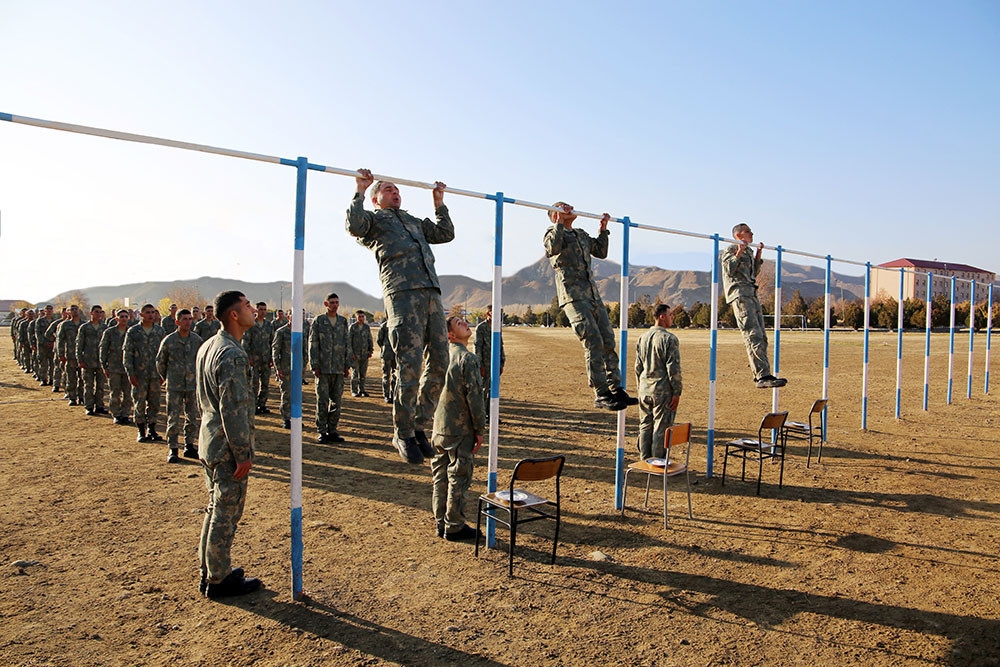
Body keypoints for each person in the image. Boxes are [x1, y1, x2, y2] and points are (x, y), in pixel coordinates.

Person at [347, 168, 453, 464]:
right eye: (388, 189)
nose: (396, 192)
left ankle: (418, 425)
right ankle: (403, 432)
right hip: (402, 295)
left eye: (397, 189)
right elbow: (354, 225)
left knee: (440, 361)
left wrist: (439, 202)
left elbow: (445, 233)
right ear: (376, 199)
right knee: (410, 365)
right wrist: (359, 191)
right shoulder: (374, 221)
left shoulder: (412, 221)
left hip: (431, 292)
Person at [196, 290, 262, 599]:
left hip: (210, 440)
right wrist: (242, 453)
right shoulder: (231, 354)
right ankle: (219, 580)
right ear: (234, 314)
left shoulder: (209, 345)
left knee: (215, 508)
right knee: (225, 513)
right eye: (247, 305)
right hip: (226, 448)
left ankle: (211, 570)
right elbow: (232, 408)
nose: (253, 310)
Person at [544, 202, 638, 411]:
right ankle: (601, 393)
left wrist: (603, 230)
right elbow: (552, 249)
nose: (570, 208)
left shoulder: (580, 234)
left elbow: (601, 252)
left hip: (593, 296)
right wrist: (559, 223)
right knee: (593, 341)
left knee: (607, 341)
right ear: (555, 215)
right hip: (574, 297)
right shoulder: (552, 234)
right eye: (563, 207)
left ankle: (616, 389)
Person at [431, 316, 486, 541]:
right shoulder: (467, 359)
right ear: (450, 335)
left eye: (463, 320)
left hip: (439, 426)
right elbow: (475, 397)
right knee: (458, 477)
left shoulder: (438, 357)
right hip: (460, 428)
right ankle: (453, 525)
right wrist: (479, 429)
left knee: (441, 476)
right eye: (457, 323)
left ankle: (440, 521)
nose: (464, 323)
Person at [720, 223, 787, 389]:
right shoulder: (730, 249)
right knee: (753, 334)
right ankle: (761, 375)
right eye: (747, 231)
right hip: (740, 294)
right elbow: (729, 270)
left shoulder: (749, 251)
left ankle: (764, 373)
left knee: (762, 336)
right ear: (738, 235)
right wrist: (739, 251)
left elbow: (753, 273)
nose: (752, 233)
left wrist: (758, 254)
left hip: (752, 293)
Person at [635, 304, 683, 459]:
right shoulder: (669, 339)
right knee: (660, 429)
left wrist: (640, 387)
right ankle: (657, 462)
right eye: (670, 315)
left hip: (645, 390)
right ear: (662, 317)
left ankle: (644, 460)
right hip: (662, 391)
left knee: (645, 426)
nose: (672, 317)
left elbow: (638, 367)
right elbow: (673, 369)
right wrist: (677, 392)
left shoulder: (642, 338)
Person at [157, 308, 204, 463]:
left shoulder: (197, 340)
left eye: (190, 319)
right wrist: (167, 378)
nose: (188, 322)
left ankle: (189, 446)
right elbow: (160, 362)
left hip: (192, 385)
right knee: (173, 417)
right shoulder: (169, 340)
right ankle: (173, 448)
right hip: (174, 386)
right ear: (177, 321)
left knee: (192, 417)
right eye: (184, 319)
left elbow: (201, 361)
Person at [308, 293, 351, 444]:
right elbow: (313, 344)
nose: (335, 305)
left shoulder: (342, 321)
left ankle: (332, 430)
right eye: (332, 302)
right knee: (322, 401)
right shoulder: (319, 321)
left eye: (337, 302)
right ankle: (322, 431)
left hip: (338, 368)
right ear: (326, 304)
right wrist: (314, 365)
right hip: (323, 368)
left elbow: (347, 343)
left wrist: (347, 365)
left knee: (336, 402)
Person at [124, 303, 166, 442]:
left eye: (153, 312)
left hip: (155, 374)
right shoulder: (133, 331)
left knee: (155, 403)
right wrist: (130, 373)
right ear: (141, 315)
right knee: (139, 402)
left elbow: (164, 354)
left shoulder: (160, 331)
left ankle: (152, 429)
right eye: (147, 312)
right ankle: (141, 431)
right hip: (139, 374)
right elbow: (127, 353)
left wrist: (163, 374)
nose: (151, 315)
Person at [100, 309, 135, 425]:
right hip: (114, 367)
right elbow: (103, 349)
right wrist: (104, 366)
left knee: (127, 393)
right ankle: (116, 414)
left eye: (126, 316)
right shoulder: (109, 332)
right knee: (115, 392)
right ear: (116, 318)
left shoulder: (132, 332)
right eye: (121, 316)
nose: (124, 318)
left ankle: (125, 414)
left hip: (128, 368)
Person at [76, 305, 109, 416]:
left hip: (100, 361)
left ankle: (99, 405)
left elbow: (107, 345)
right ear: (91, 313)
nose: (98, 314)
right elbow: (79, 344)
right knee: (88, 385)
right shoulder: (84, 327)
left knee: (100, 385)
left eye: (100, 312)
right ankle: (89, 406)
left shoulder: (104, 327)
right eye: (96, 312)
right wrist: (80, 359)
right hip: (88, 361)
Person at [242, 302, 274, 414]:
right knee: (254, 384)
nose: (263, 312)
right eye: (261, 309)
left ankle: (262, 404)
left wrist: (272, 357)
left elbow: (272, 342)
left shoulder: (269, 325)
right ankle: (254, 406)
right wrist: (248, 357)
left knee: (265, 384)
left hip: (265, 359)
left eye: (265, 309)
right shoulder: (251, 324)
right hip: (254, 360)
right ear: (256, 310)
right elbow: (245, 342)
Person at [474, 305, 505, 406]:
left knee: (494, 389)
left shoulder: (497, 327)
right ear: (488, 313)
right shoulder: (481, 328)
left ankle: (491, 411)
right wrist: (480, 365)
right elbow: (478, 347)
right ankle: (481, 412)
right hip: (485, 364)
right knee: (484, 389)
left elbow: (500, 345)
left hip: (495, 363)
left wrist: (502, 362)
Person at [56, 305, 83, 406]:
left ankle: (82, 396)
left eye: (76, 309)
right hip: (70, 355)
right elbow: (60, 340)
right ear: (68, 312)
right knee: (71, 378)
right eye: (72, 310)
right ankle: (72, 397)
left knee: (83, 378)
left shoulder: (84, 324)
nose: (74, 311)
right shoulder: (65, 325)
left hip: (82, 356)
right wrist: (61, 354)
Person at [271, 319, 293, 429]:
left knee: (296, 395)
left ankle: (295, 417)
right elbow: (275, 350)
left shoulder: (300, 331)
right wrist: (278, 368)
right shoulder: (281, 332)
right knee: (287, 394)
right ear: (288, 317)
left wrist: (304, 365)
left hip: (296, 368)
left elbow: (304, 349)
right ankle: (286, 418)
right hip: (285, 369)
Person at [348, 310, 374, 397]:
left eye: (362, 316)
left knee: (363, 374)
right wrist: (351, 353)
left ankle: (362, 390)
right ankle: (354, 390)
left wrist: (370, 350)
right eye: (359, 316)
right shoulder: (352, 327)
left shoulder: (366, 327)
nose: (361, 318)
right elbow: (349, 342)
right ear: (356, 317)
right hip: (355, 355)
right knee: (355, 373)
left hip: (364, 354)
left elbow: (369, 339)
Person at [376, 319, 396, 404]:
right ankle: (386, 395)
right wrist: (385, 347)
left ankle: (394, 394)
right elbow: (379, 340)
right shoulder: (384, 326)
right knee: (386, 375)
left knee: (395, 375)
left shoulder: (398, 324)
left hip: (396, 354)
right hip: (386, 354)